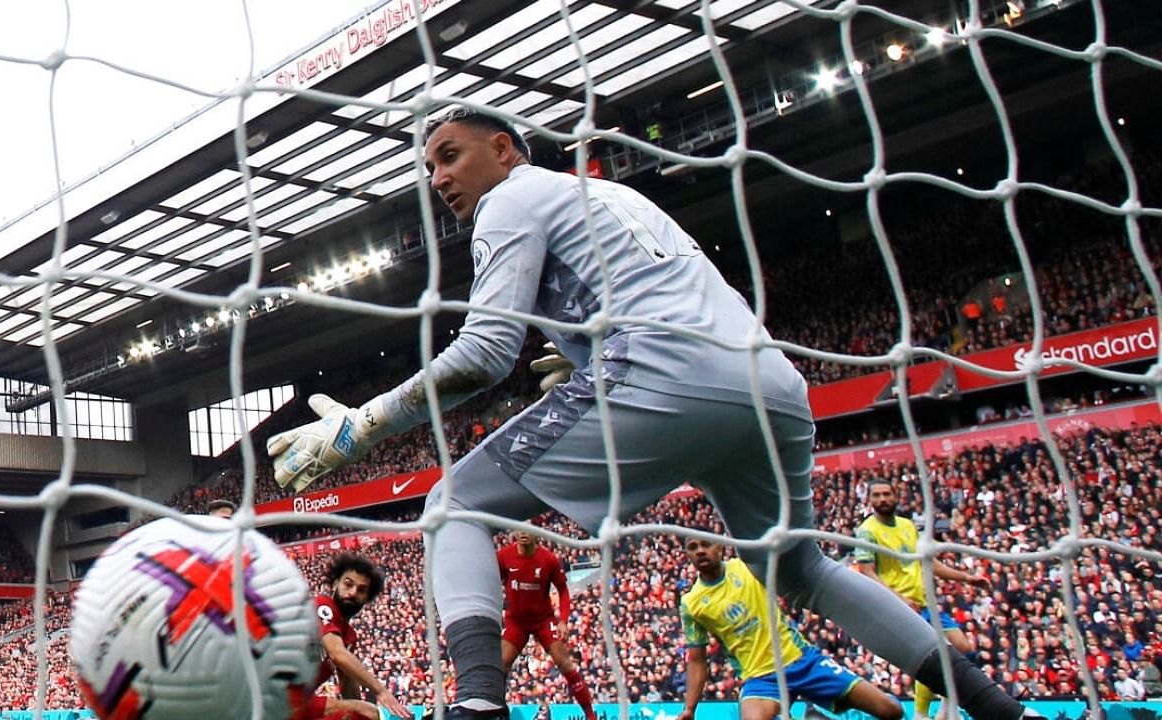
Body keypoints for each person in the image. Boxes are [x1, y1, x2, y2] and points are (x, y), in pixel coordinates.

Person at [266, 106, 1031, 720]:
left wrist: (361, 424)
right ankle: (1001, 710)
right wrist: (584, 346)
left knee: (453, 504)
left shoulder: (512, 197)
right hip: (769, 386)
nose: (437, 177)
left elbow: (485, 354)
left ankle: (475, 704)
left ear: (503, 149)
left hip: (662, 380)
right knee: (799, 567)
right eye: (428, 167)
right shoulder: (620, 197)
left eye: (449, 156)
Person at [677, 537, 903, 720]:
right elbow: (697, 659)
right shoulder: (691, 603)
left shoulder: (749, 565)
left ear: (720, 546)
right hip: (760, 678)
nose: (700, 551)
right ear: (687, 555)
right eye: (692, 548)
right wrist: (689, 708)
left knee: (891, 711)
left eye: (705, 544)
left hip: (802, 660)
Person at [855, 480, 993, 720]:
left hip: (922, 602)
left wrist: (967, 578)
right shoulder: (867, 531)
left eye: (887, 493)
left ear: (896, 496)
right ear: (869, 500)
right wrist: (898, 599)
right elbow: (866, 571)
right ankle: (922, 713)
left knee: (963, 647)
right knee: (933, 656)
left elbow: (928, 562)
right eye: (876, 495)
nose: (882, 499)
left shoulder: (908, 526)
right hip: (896, 605)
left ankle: (945, 708)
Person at [498, 529, 595, 719]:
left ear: (536, 533)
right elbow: (492, 582)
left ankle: (591, 715)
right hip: (516, 621)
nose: (523, 534)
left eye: (527, 530)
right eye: (519, 530)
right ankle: (498, 712)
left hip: (543, 620)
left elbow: (563, 591)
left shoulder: (548, 559)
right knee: (501, 665)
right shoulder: (503, 557)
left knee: (564, 663)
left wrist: (563, 621)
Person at [308, 553, 412, 720]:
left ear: (367, 599)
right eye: (348, 584)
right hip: (274, 696)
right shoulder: (322, 605)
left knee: (362, 714)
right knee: (366, 712)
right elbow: (336, 653)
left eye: (361, 590)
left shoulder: (349, 637)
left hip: (296, 704)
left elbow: (349, 691)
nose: (352, 592)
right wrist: (381, 691)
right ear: (335, 583)